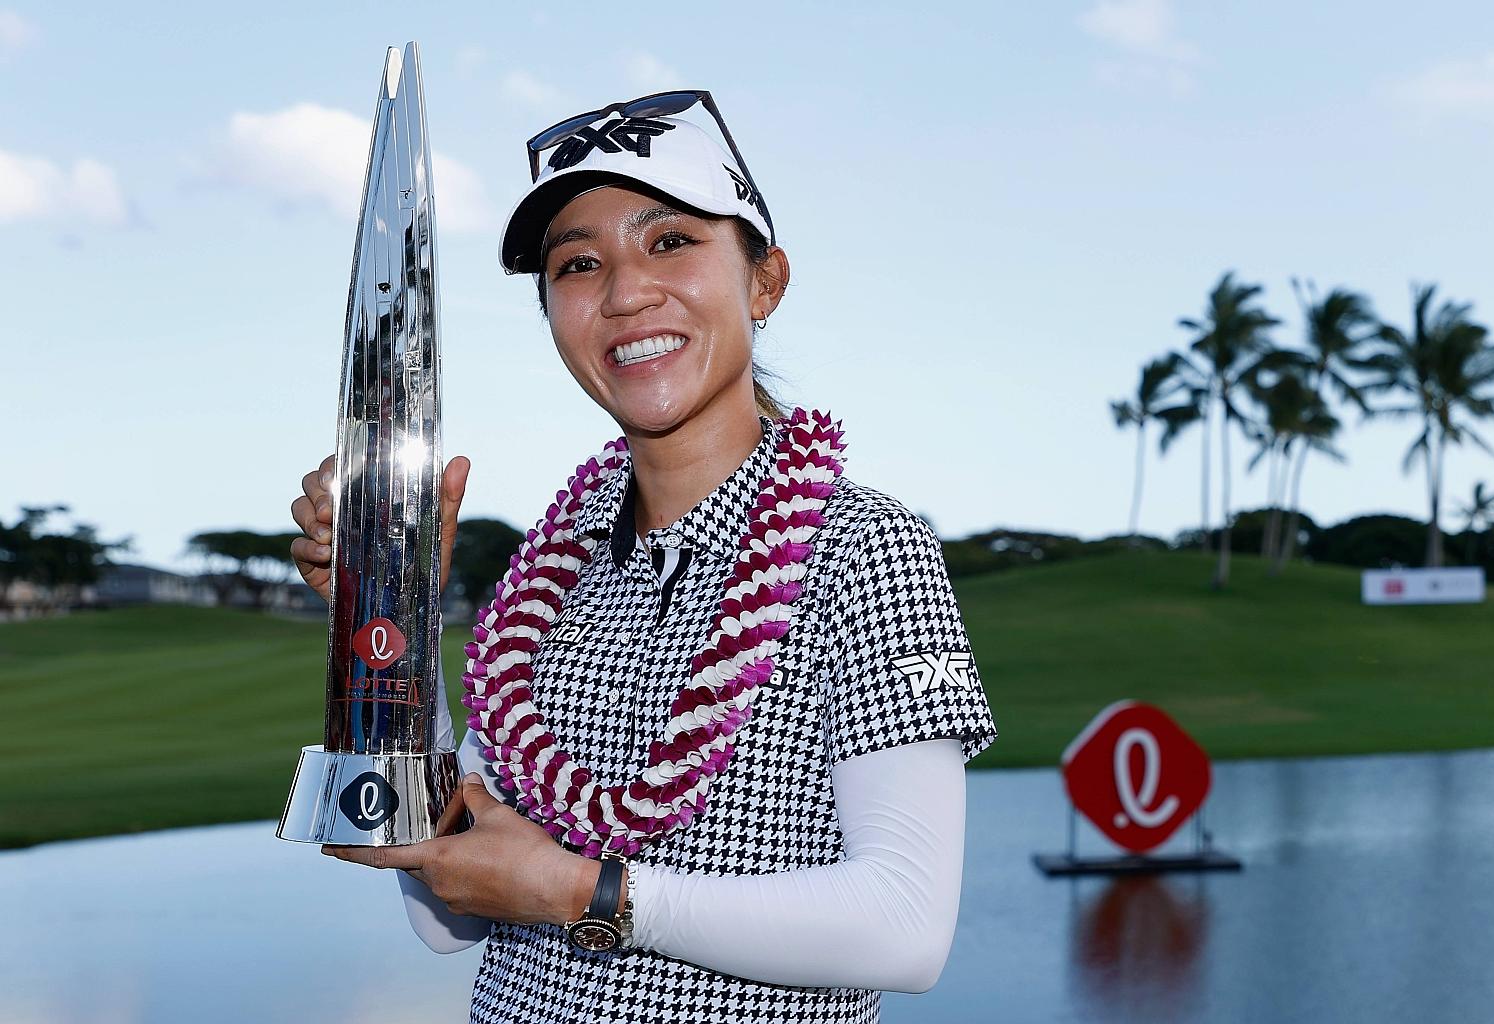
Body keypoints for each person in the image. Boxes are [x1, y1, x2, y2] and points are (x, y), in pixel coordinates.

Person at [289, 89, 997, 1024]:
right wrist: (394, 623)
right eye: (578, 264)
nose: (625, 293)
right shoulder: (547, 580)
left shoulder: (866, 547)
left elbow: (906, 927)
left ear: (765, 281)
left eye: (671, 241)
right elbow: (448, 919)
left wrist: (588, 894)